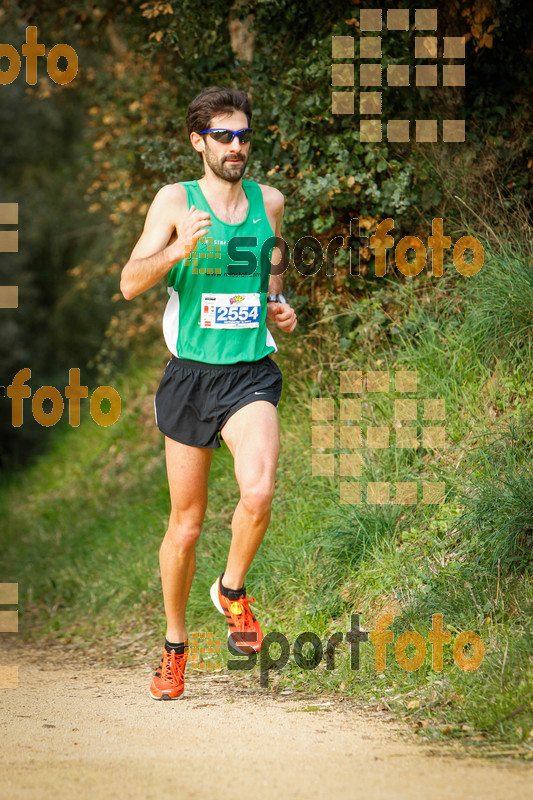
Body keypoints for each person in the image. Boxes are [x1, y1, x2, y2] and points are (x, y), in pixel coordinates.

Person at [120, 86, 297, 700]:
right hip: (191, 376)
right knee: (187, 526)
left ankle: (231, 589)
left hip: (250, 374)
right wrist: (178, 249)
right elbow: (129, 282)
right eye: (223, 136)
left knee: (259, 489)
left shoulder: (268, 201)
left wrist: (278, 305)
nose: (237, 146)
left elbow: (271, 264)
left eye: (244, 135)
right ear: (198, 141)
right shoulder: (176, 200)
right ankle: (175, 648)